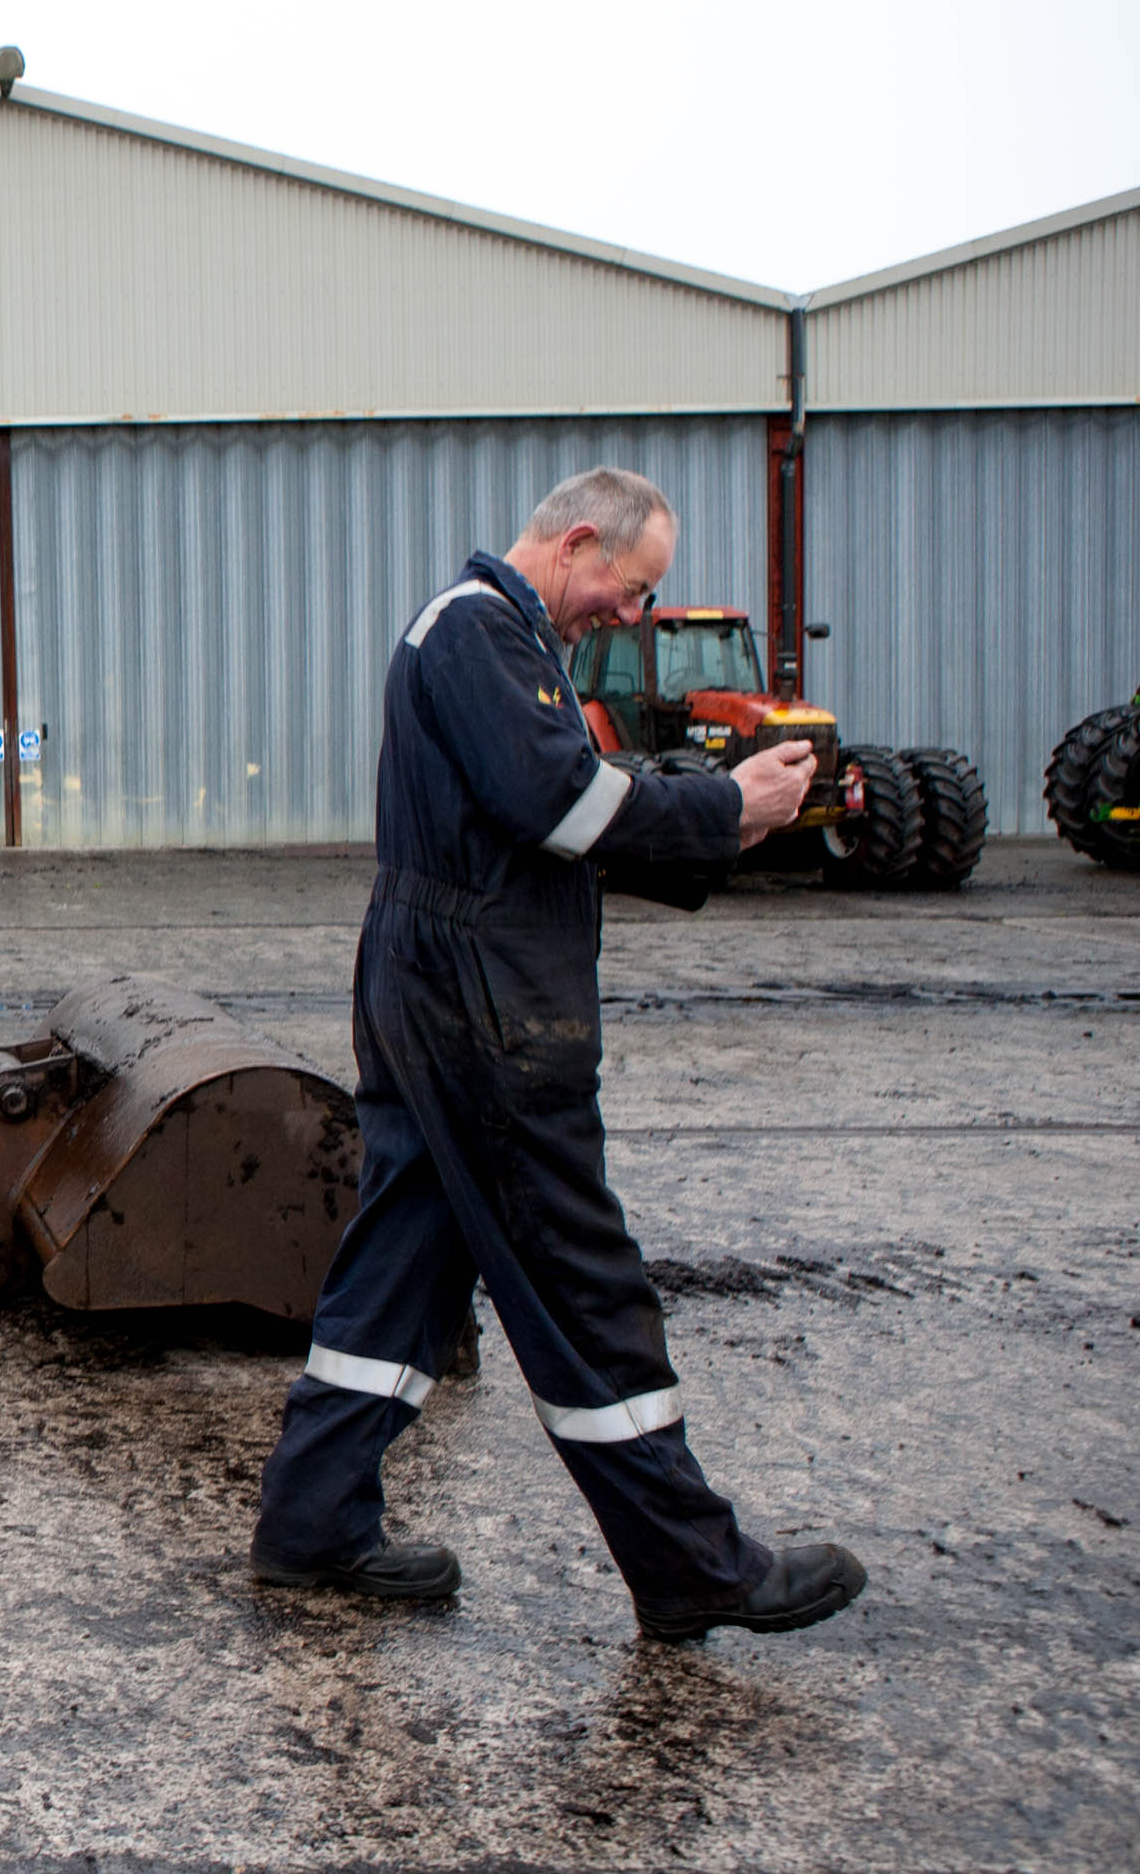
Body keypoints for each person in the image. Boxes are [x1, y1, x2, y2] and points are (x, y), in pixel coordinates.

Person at [250, 466, 868, 1642]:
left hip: (445, 984)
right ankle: (693, 1562)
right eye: (631, 590)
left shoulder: (499, 632)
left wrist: (709, 808)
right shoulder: (480, 632)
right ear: (581, 541)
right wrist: (726, 808)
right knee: (579, 1273)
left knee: (402, 1259)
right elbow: (563, 804)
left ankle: (312, 1519)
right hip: (482, 1005)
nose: (629, 617)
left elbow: (562, 801)